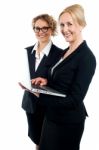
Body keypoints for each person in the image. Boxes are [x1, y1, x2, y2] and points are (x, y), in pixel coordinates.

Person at [31, 4, 96, 150]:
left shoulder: (87, 58)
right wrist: (46, 81)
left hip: (68, 123)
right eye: (62, 25)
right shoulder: (66, 51)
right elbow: (63, 80)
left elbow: (74, 100)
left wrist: (40, 96)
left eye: (69, 24)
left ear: (81, 25)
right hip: (52, 116)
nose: (65, 29)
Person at [21, 14, 62, 150]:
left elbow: (61, 81)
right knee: (37, 140)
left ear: (51, 29)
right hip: (31, 105)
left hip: (49, 106)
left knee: (51, 142)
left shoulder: (60, 54)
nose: (40, 32)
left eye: (44, 28)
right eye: (37, 28)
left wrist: (47, 82)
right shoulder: (26, 52)